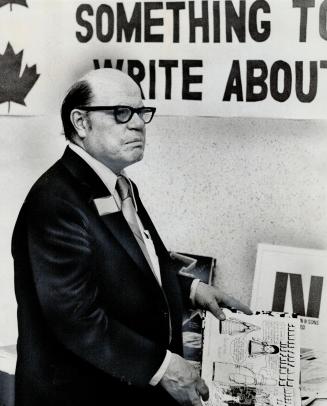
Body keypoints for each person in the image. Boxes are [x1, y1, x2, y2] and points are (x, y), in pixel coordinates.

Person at [11, 68, 252, 406]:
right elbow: (76, 318)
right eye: (122, 113)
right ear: (80, 122)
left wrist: (192, 290)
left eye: (141, 113)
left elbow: (126, 271)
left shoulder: (119, 185)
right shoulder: (55, 201)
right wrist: (163, 367)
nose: (138, 124)